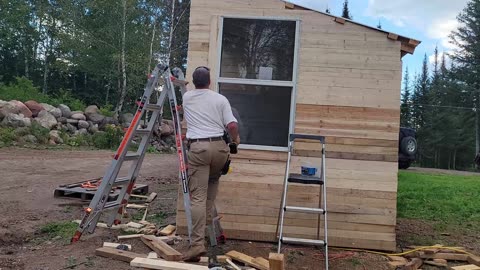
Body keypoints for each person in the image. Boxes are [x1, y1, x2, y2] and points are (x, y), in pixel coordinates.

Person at [181, 66, 240, 262]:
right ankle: (205, 228)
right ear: (210, 81)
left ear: (194, 81)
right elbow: (231, 125)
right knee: (211, 186)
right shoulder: (220, 99)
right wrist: (235, 140)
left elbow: (186, 89)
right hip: (220, 149)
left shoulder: (187, 98)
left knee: (197, 196)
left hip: (199, 149)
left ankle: (197, 244)